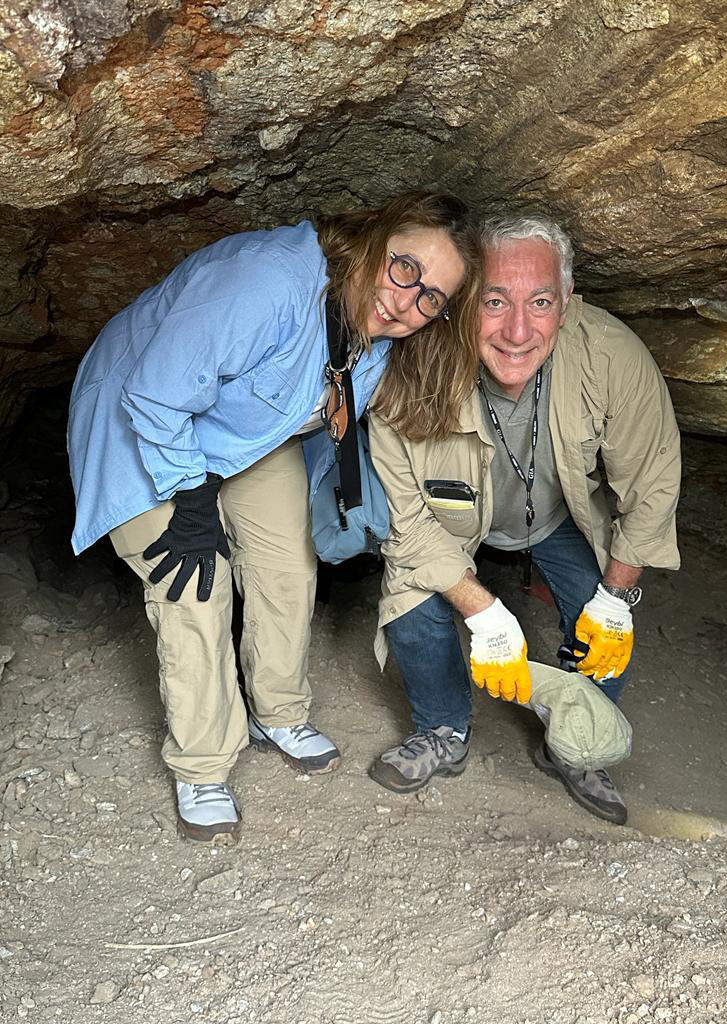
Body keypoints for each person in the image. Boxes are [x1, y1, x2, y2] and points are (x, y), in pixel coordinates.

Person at [67, 192, 482, 843]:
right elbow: (155, 392)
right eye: (405, 268)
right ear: (373, 234)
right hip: (143, 412)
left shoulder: (374, 342)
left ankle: (277, 712)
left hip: (238, 431)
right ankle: (202, 764)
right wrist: (193, 499)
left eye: (431, 297)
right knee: (195, 580)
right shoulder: (269, 281)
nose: (406, 302)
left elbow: (320, 414)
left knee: (287, 560)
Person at [367, 214, 681, 824]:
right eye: (494, 301)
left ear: (565, 304)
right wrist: (484, 613)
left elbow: (652, 485)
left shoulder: (611, 357)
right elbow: (406, 520)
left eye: (539, 301)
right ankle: (443, 730)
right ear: (462, 303)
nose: (516, 330)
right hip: (447, 522)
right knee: (409, 596)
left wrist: (616, 599)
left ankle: (575, 743)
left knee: (604, 615)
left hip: (556, 515)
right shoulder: (409, 371)